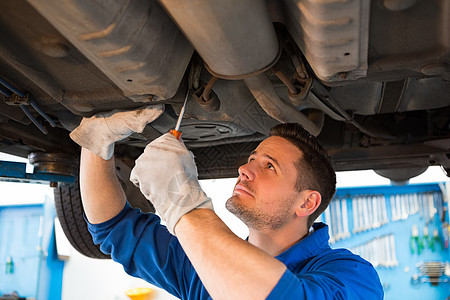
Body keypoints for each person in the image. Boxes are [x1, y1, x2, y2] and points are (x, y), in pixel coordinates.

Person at [71, 106, 384, 299]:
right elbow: (113, 228)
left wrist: (183, 204)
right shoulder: (204, 263)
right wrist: (97, 143)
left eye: (269, 166)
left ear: (306, 203)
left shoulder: (351, 276)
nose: (244, 169)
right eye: (252, 159)